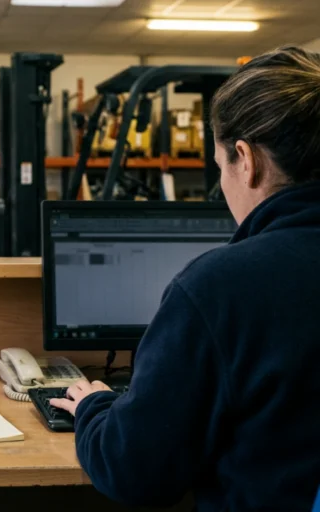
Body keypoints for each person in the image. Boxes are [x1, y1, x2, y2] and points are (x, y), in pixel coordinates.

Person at [50, 46, 320, 511]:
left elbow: (133, 472)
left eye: (221, 169)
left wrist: (95, 407)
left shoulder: (226, 286)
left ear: (246, 159)